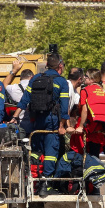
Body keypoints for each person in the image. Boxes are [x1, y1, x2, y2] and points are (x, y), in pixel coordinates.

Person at [14, 52, 70, 197]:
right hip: (52, 122)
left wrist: (14, 117)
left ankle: (36, 182)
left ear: (46, 65)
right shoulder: (62, 82)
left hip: (37, 121)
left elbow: (24, 100)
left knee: (38, 152)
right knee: (51, 153)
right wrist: (62, 126)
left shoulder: (35, 78)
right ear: (60, 66)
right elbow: (64, 108)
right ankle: (46, 185)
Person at [76, 61, 105, 194]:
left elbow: (85, 108)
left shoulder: (89, 90)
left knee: (93, 157)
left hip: (95, 129)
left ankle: (93, 189)